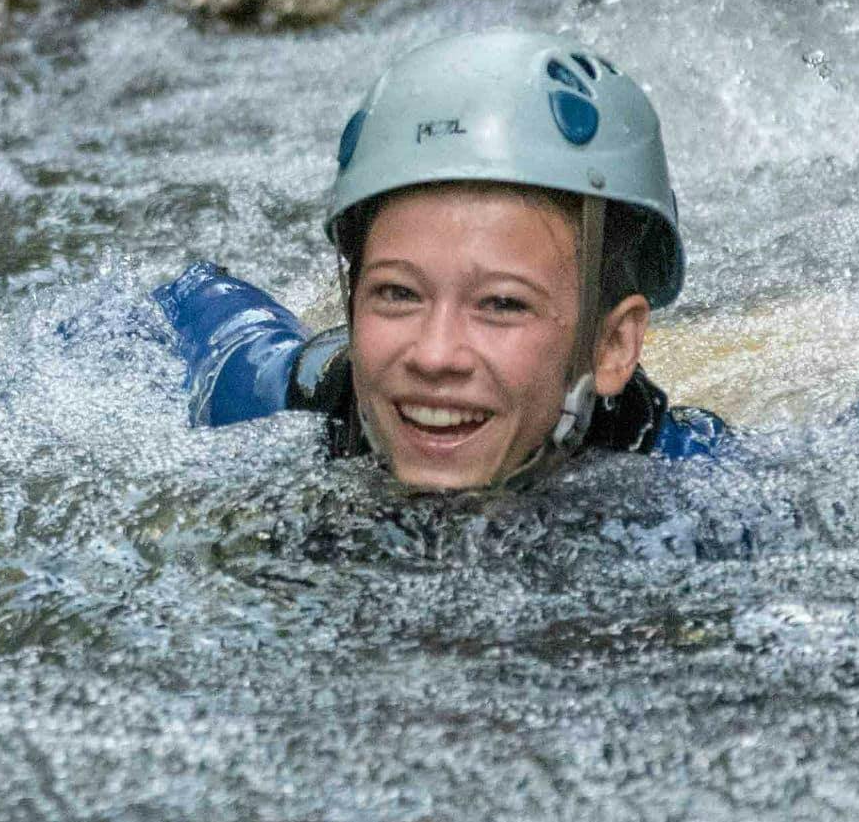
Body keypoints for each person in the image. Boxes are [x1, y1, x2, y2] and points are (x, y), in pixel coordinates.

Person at [153, 29, 729, 489]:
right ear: (352, 303)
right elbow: (180, 303)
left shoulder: (697, 484)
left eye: (502, 304)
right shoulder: (295, 402)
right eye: (397, 293)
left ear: (612, 346)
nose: (433, 356)